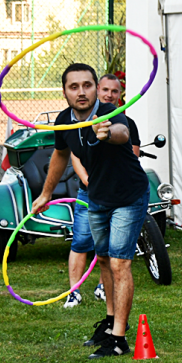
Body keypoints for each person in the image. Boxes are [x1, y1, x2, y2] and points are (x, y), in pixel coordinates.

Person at [31, 63, 149, 359]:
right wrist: (45, 193)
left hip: (128, 196)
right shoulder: (64, 120)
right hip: (96, 197)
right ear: (65, 92)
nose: (81, 92)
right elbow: (59, 155)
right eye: (74, 86)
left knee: (121, 263)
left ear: (97, 87)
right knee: (106, 260)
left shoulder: (111, 114)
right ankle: (109, 324)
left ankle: (119, 341)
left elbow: (122, 132)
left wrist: (106, 132)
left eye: (87, 85)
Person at [63, 73, 141, 308]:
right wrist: (88, 180)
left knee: (108, 250)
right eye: (105, 90)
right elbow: (74, 155)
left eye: (115, 91)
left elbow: (129, 146)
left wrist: (106, 133)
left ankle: (102, 287)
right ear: (98, 90)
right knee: (81, 240)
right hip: (90, 190)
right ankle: (74, 291)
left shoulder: (124, 121)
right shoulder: (76, 120)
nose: (110, 94)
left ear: (120, 95)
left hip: (119, 194)